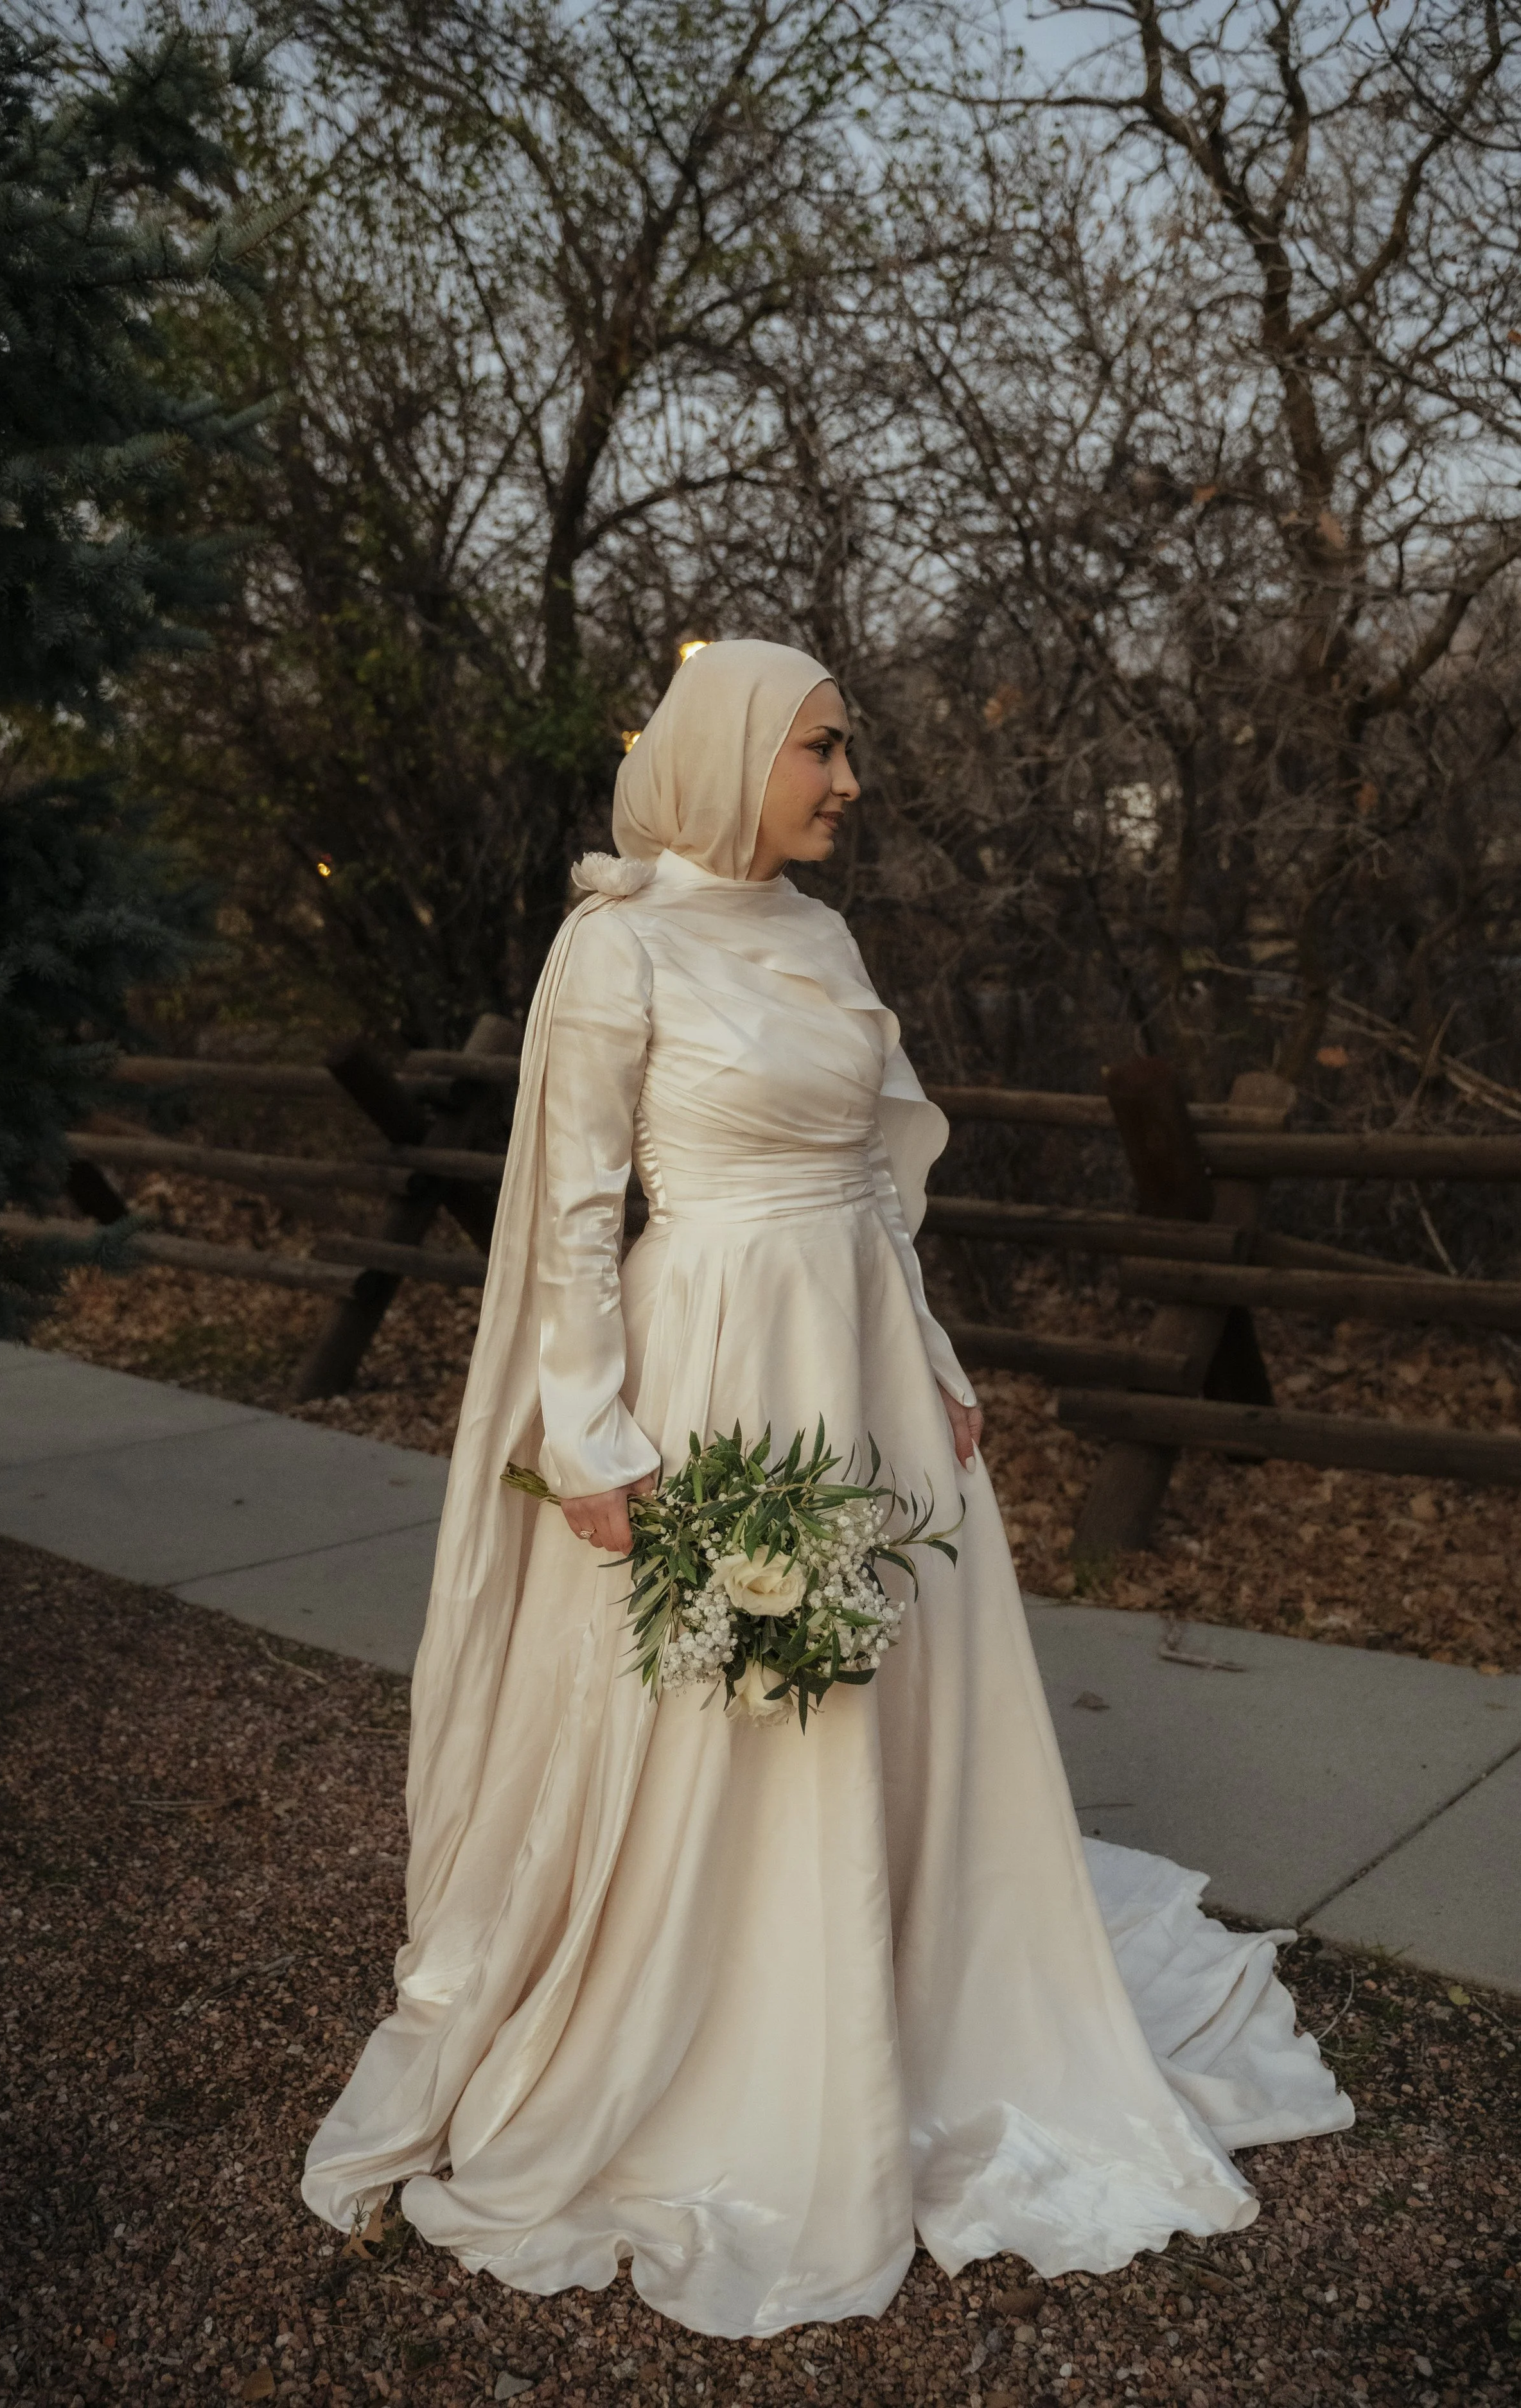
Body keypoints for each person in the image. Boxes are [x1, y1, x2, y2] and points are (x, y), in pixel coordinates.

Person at [303, 639, 1350, 2337]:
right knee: (721, 1689)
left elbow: (873, 1176)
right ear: (730, 758)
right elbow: (575, 1211)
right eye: (821, 750)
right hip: (705, 1351)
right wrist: (589, 1433)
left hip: (854, 1348)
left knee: (888, 1673)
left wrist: (931, 1365)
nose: (847, 782)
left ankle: (898, 1972)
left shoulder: (820, 934)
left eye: (844, 750)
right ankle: (735, 2015)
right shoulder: (614, 943)